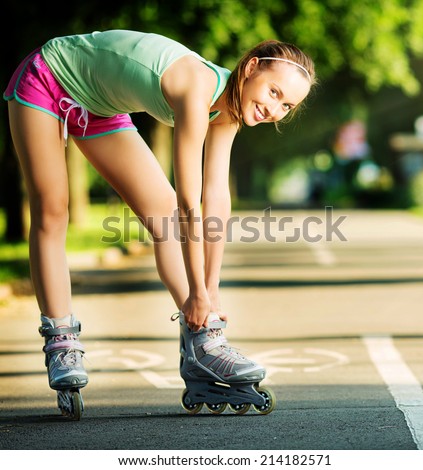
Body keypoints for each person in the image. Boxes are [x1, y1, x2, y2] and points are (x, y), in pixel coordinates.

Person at [3, 30, 315, 413]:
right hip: (49, 77)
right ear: (251, 68)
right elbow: (190, 201)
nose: (275, 109)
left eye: (287, 106)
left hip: (99, 107)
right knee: (53, 209)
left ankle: (204, 340)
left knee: (162, 216)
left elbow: (216, 198)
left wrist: (210, 292)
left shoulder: (229, 113)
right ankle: (61, 343)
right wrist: (197, 290)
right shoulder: (195, 89)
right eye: (273, 93)